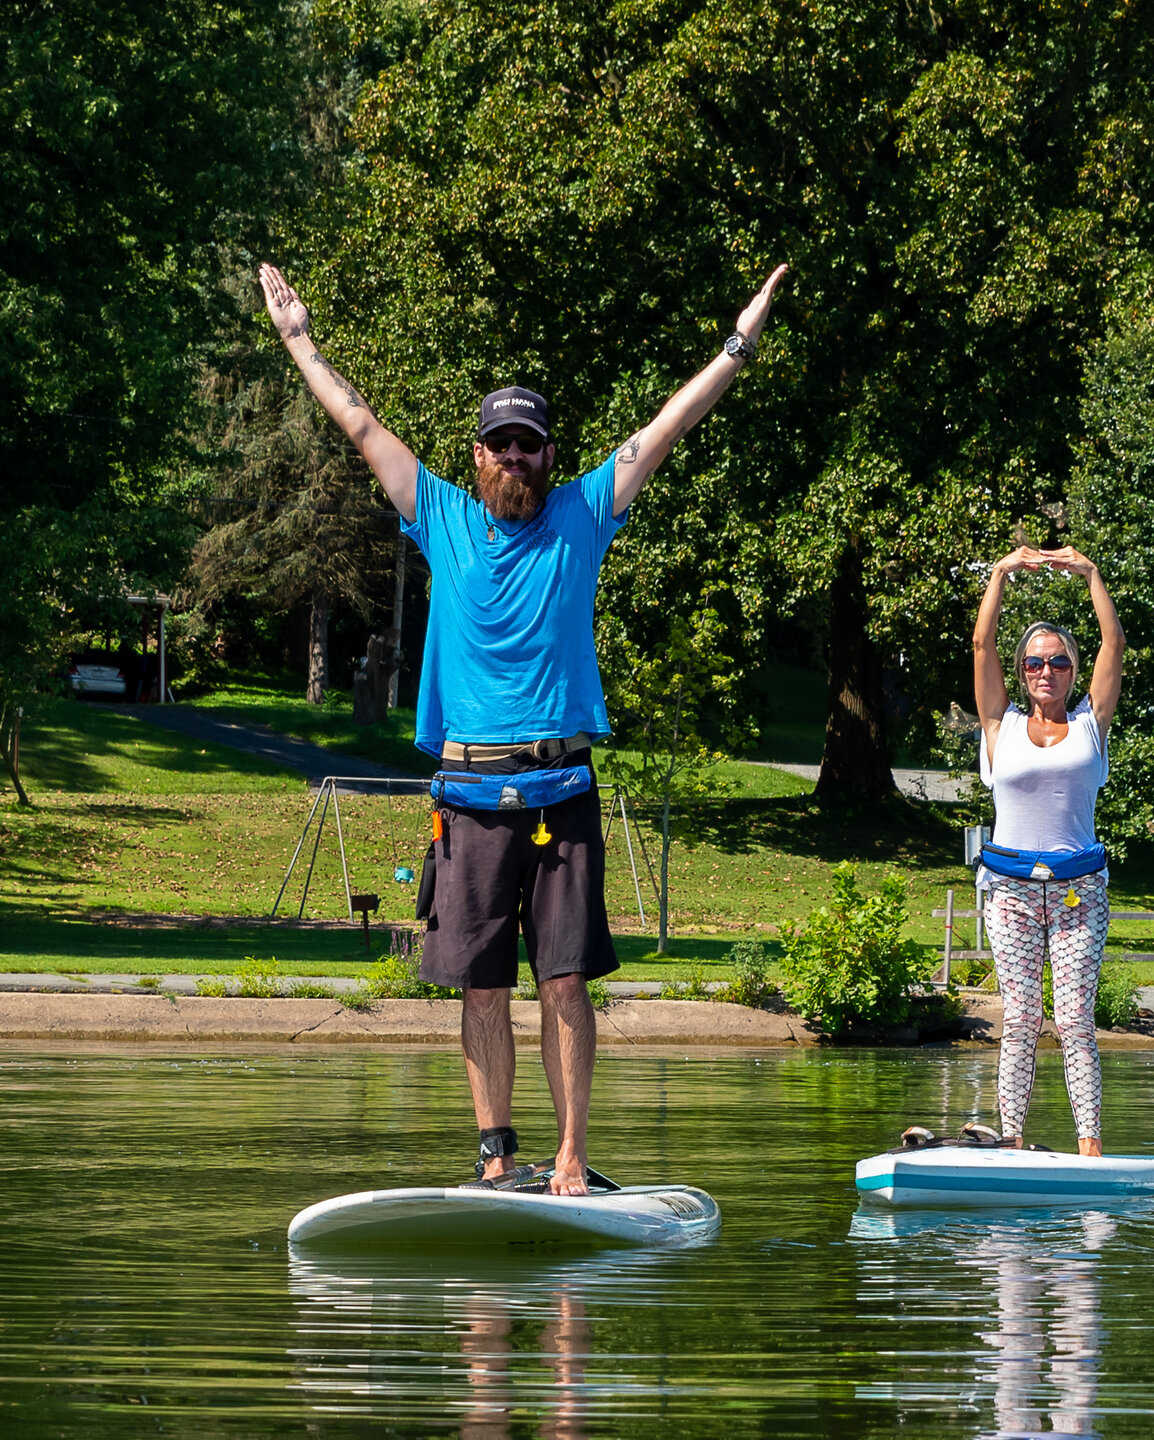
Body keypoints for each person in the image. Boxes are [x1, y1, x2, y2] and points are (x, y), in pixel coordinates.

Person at [258, 258, 789, 1195]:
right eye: (500, 445)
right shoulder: (442, 516)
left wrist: (739, 343)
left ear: (550, 454)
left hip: (561, 792)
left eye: (529, 446)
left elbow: (670, 423)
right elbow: (361, 423)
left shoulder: (585, 513)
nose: (515, 459)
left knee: (566, 983)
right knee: (481, 986)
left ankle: (573, 1157)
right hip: (466, 797)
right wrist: (300, 338)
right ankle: (497, 1154)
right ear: (478, 456)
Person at [968, 546, 1124, 1156]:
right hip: (1008, 890)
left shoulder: (1090, 724)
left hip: (1078, 891)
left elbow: (1113, 645)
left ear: (1071, 671)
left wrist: (1091, 574)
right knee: (1020, 1020)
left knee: (1077, 1023)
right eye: (1034, 662)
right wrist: (1001, 573)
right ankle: (1012, 1141)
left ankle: (1089, 1147)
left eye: (1058, 662)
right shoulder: (998, 725)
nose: (1046, 670)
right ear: (1022, 671)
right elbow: (982, 647)